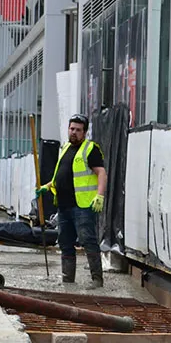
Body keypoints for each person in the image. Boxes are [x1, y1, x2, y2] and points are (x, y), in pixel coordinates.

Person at [36, 114, 107, 288]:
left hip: (82, 205)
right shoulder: (66, 148)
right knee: (65, 242)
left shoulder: (91, 149)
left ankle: (96, 279)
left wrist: (100, 195)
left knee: (87, 239)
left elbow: (101, 173)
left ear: (84, 132)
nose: (74, 132)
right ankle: (68, 279)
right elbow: (62, 176)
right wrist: (48, 186)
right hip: (64, 205)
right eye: (72, 129)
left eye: (78, 130)